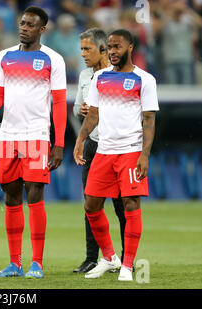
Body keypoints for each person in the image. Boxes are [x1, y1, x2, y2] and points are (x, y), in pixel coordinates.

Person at [0, 6, 67, 279]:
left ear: (42, 29)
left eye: (31, 25)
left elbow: (59, 102)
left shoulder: (53, 59)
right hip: (8, 136)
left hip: (37, 135)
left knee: (35, 195)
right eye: (22, 23)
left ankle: (37, 263)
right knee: (11, 197)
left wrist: (59, 143)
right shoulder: (3, 56)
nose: (24, 28)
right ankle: (14, 263)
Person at [73, 29, 159, 281]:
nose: (112, 51)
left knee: (131, 205)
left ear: (130, 47)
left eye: (117, 47)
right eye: (109, 47)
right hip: (104, 150)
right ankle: (110, 257)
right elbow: (93, 114)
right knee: (91, 204)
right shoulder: (100, 77)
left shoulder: (145, 79)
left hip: (130, 152)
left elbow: (149, 120)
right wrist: (80, 140)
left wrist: (144, 155)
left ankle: (127, 266)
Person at [72, 28, 127, 274]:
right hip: (93, 145)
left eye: (87, 49)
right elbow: (75, 109)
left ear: (102, 49)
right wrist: (82, 110)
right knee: (91, 203)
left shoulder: (118, 74)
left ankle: (126, 259)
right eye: (81, 49)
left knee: (121, 205)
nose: (83, 54)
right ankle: (92, 258)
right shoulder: (85, 75)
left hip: (116, 145)